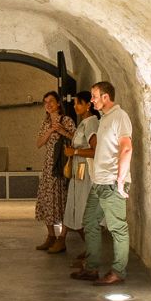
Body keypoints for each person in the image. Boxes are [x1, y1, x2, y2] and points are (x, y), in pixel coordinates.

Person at [71, 81, 133, 286]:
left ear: (105, 97)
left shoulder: (120, 117)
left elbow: (126, 148)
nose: (92, 100)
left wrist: (121, 180)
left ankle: (118, 272)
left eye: (94, 96)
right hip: (99, 183)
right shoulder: (104, 118)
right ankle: (92, 267)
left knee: (118, 229)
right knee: (89, 221)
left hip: (112, 183)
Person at [34, 90, 76, 252]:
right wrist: (51, 130)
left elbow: (77, 139)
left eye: (51, 101)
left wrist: (62, 131)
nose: (48, 104)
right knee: (47, 200)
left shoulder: (67, 120)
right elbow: (39, 143)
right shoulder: (45, 124)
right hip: (48, 167)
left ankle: (62, 238)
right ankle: (50, 236)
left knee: (63, 201)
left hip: (62, 166)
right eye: (45, 102)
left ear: (58, 103)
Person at [62, 90, 99, 265]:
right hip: (78, 172)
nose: (75, 106)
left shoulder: (91, 122)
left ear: (88, 105)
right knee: (76, 211)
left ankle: (92, 254)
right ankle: (90, 251)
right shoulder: (83, 123)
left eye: (79, 103)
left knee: (85, 213)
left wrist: (75, 151)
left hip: (85, 172)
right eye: (75, 103)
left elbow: (95, 150)